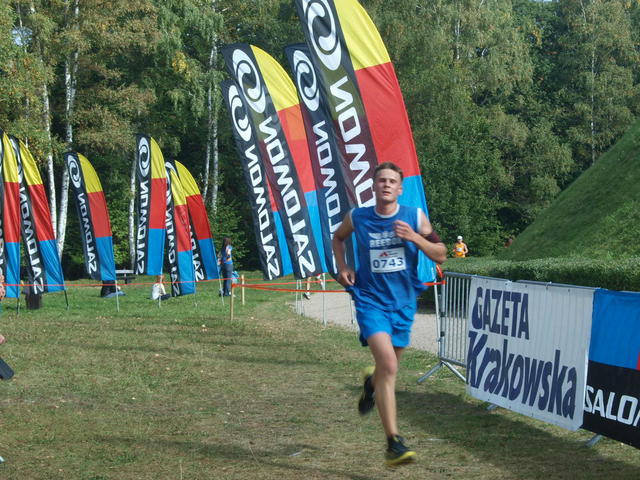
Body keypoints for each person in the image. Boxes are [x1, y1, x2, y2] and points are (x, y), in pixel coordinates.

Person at [332, 162, 446, 466]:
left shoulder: (414, 217)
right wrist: (343, 266)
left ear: (399, 188)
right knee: (390, 367)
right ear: (373, 186)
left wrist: (415, 238)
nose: (386, 185)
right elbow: (338, 238)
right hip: (370, 301)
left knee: (386, 368)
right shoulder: (358, 216)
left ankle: (372, 384)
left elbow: (441, 254)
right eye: (381, 180)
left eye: (392, 181)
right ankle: (393, 443)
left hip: (403, 302)